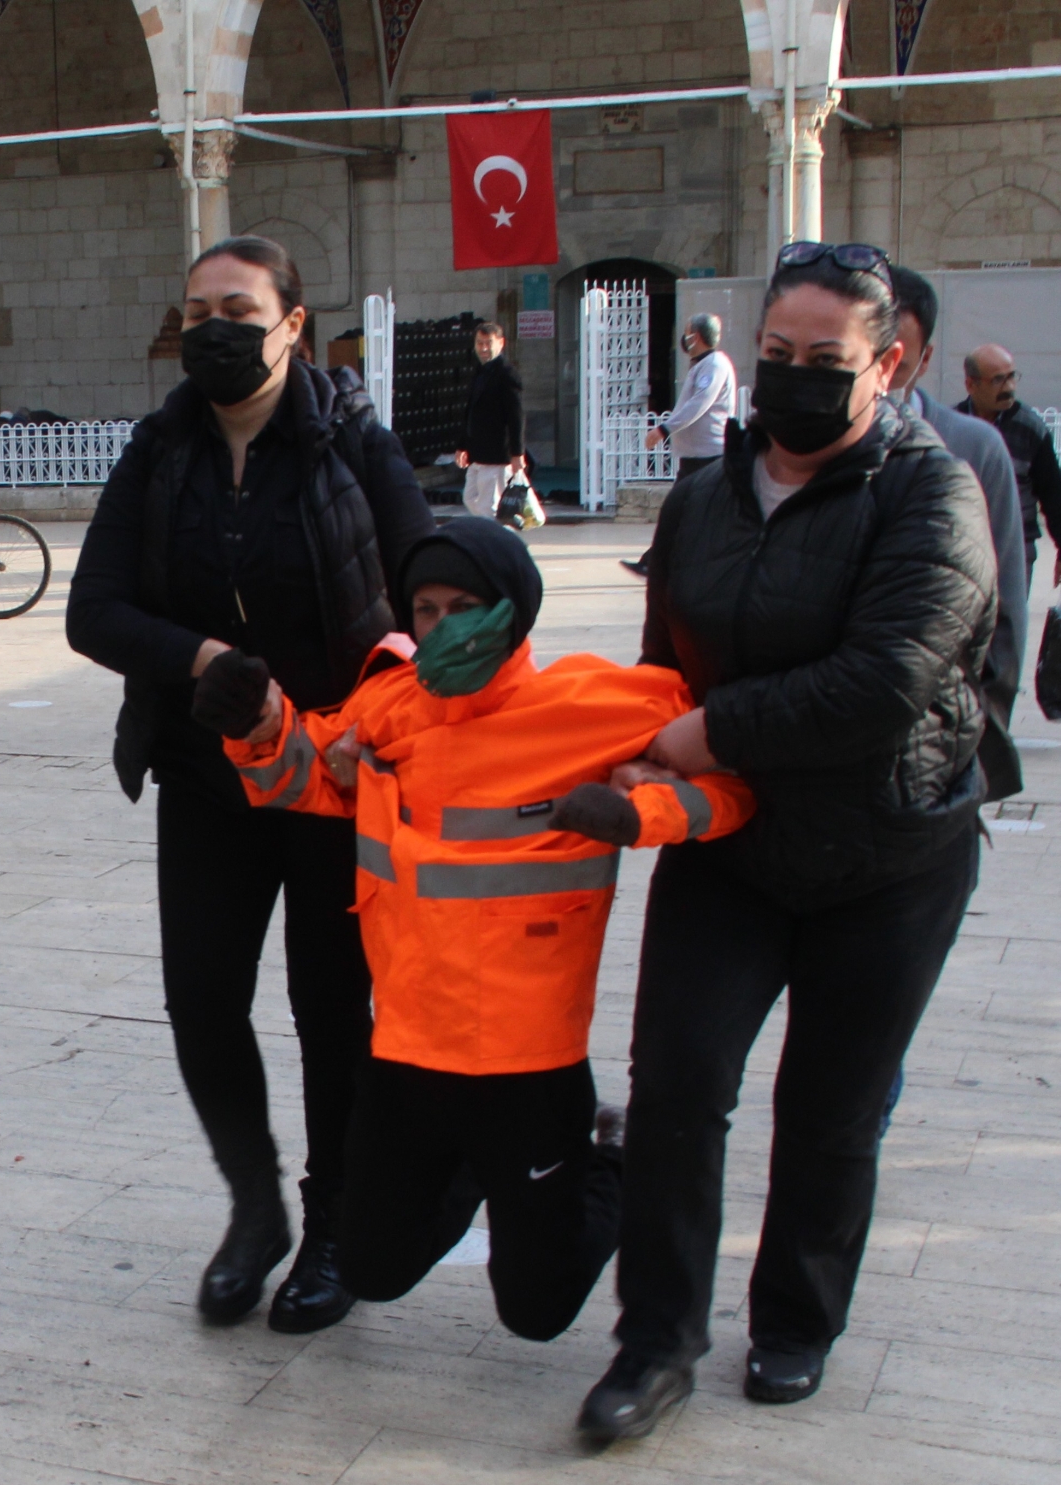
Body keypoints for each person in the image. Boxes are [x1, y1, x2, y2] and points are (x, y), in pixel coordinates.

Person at [578, 243, 996, 1444]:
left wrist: (708, 732)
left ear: (889, 363)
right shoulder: (704, 498)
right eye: (775, 353)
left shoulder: (930, 494)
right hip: (732, 849)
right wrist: (636, 747)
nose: (793, 377)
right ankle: (655, 1342)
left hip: (889, 855)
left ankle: (796, 1324)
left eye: (825, 358)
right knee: (676, 1090)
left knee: (830, 1107)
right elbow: (664, 665)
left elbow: (884, 679)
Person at [209, 518, 755, 1345]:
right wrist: (254, 721)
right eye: (426, 609)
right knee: (368, 1269)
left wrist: (642, 812)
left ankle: (613, 1155)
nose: (443, 628)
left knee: (537, 1311)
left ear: (513, 611)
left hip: (529, 1062)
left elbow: (735, 789)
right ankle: (473, 1168)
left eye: (465, 607)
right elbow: (309, 772)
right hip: (407, 1053)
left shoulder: (602, 705)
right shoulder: (388, 706)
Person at [66, 235, 434, 1335]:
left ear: (292, 325)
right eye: (197, 312)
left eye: (238, 309)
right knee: (202, 1002)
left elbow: (427, 587)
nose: (214, 330)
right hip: (206, 773)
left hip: (332, 781)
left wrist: (397, 706)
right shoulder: (160, 449)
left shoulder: (352, 441)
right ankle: (255, 1209)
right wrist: (204, 663)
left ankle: (334, 1226)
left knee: (331, 1010)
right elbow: (94, 610)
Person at [887, 268, 1025, 797]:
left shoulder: (973, 448)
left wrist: (976, 737)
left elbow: (1005, 609)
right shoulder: (799, 455)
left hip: (940, 747)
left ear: (923, 359)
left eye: (897, 357)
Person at [622, 314, 736, 578]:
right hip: (695, 456)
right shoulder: (702, 365)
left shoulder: (714, 365)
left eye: (688, 333)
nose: (684, 339)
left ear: (698, 336)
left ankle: (658, 563)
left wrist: (664, 429)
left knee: (688, 513)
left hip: (708, 456)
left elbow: (699, 404)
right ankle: (656, 562)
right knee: (681, 513)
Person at [958, 343, 1061, 591]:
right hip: (960, 548)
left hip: (1015, 551)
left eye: (1012, 376)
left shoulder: (1030, 429)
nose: (1009, 387)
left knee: (1008, 616)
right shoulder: (953, 426)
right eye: (998, 380)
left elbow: (1053, 494)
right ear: (971, 385)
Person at [456, 322, 532, 519]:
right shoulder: (479, 372)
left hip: (497, 455)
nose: (483, 348)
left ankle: (496, 535)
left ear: (500, 343)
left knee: (489, 507)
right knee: (470, 498)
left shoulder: (507, 374)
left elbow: (516, 415)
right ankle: (498, 531)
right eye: (479, 343)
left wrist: (517, 452)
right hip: (477, 452)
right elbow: (471, 410)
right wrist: (462, 445)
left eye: (488, 343)